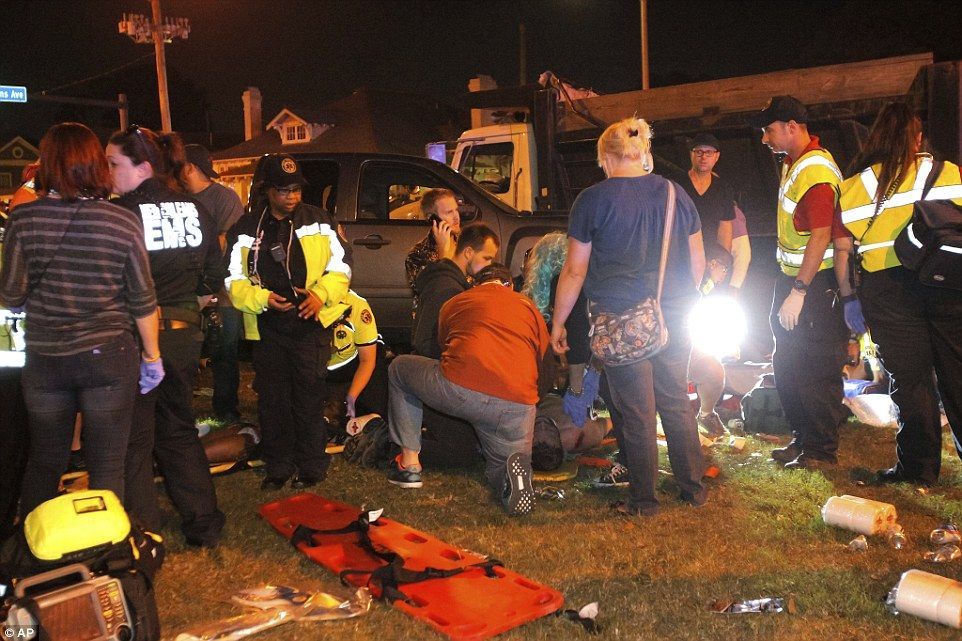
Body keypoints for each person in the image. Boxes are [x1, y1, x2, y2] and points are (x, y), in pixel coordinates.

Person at [0, 122, 160, 518]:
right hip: (108, 356)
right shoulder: (122, 221)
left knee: (45, 460)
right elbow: (142, 300)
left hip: (47, 360)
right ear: (95, 165)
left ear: (48, 164)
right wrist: (152, 357)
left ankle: (35, 549)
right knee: (108, 464)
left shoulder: (23, 220)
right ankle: (107, 553)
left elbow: (11, 296)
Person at [551, 116, 707, 516]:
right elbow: (699, 264)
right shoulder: (677, 194)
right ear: (643, 153)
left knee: (636, 410)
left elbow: (574, 271)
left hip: (621, 320)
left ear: (605, 156)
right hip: (675, 314)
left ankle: (644, 501)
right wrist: (679, 301)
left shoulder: (592, 200)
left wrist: (558, 321)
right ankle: (693, 489)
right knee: (675, 399)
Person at [108, 125, 226, 547]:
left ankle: (143, 530)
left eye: (114, 164)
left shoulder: (121, 214)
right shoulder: (195, 209)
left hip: (139, 337)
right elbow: (215, 273)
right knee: (177, 428)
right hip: (184, 335)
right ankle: (203, 521)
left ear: (142, 166)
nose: (108, 173)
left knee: (135, 438)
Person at [837, 102, 962, 486]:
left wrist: (848, 298)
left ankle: (918, 470)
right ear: (918, 138)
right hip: (946, 282)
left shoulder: (856, 187)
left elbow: (844, 249)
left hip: (888, 292)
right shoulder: (948, 172)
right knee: (958, 374)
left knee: (911, 382)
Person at [226, 153, 352, 490]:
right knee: (273, 399)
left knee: (309, 397)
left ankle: (312, 464)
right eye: (284, 191)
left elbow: (342, 267)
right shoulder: (247, 227)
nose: (292, 197)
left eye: (296, 189)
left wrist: (320, 295)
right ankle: (278, 465)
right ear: (267, 190)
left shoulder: (320, 220)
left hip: (310, 325)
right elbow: (232, 280)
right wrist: (262, 298)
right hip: (268, 326)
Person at [386, 263, 551, 516]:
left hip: (462, 387)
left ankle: (409, 466)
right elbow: (544, 364)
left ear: (474, 284)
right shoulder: (529, 308)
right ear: (510, 285)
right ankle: (513, 477)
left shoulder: (457, 302)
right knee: (501, 464)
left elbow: (445, 347)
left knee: (399, 369)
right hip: (517, 401)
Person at [750, 95, 850, 471]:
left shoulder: (816, 171)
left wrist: (799, 291)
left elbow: (822, 236)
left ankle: (821, 451)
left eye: (769, 130)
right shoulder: (795, 163)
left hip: (814, 285)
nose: (765, 139)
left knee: (815, 368)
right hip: (794, 280)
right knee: (789, 363)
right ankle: (804, 440)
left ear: (792, 126)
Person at [411, 223, 500, 468]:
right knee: (466, 452)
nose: (490, 265)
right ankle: (395, 446)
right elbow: (430, 341)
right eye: (487, 258)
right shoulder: (450, 288)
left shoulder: (446, 280)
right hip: (436, 376)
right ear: (469, 252)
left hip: (435, 373)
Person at [182, 144, 245, 422]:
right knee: (185, 352)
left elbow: (225, 244)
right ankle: (182, 413)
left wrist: (209, 287)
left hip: (221, 289)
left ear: (189, 168)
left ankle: (225, 410)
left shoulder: (224, 198)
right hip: (183, 289)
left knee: (224, 350)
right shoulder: (178, 199)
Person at [681, 132, 752, 295]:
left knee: (707, 299)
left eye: (709, 152)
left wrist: (721, 263)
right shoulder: (676, 185)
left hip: (710, 261)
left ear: (716, 156)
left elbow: (725, 227)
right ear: (691, 154)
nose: (703, 157)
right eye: (699, 152)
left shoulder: (723, 189)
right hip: (682, 259)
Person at [326, 288, 388, 422]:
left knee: (373, 412)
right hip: (314, 369)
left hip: (354, 365)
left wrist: (351, 397)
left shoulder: (358, 307)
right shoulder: (302, 304)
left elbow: (367, 361)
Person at [404, 188, 460, 296]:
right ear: (432, 218)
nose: (456, 217)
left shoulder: (466, 242)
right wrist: (443, 251)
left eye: (456, 210)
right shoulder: (417, 255)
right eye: (449, 212)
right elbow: (438, 290)